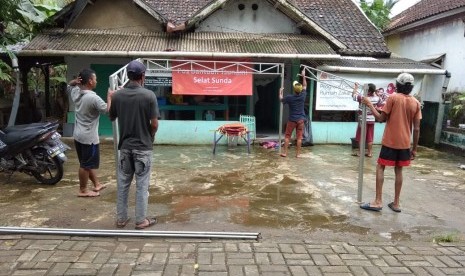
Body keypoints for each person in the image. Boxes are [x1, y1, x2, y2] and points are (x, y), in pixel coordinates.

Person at [360, 73, 421, 213]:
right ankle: (396, 203)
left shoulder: (393, 97)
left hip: (390, 141)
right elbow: (416, 129)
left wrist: (369, 104)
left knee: (380, 167)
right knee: (399, 170)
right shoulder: (416, 103)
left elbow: (381, 118)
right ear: (411, 87)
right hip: (405, 143)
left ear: (398, 85)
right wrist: (415, 149)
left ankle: (378, 201)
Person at [109, 60, 159, 230]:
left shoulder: (118, 96)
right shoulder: (149, 95)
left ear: (128, 76)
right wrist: (150, 136)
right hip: (143, 147)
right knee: (142, 185)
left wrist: (111, 97)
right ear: (142, 76)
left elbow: (111, 117)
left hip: (125, 147)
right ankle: (140, 221)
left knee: (123, 184)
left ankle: (121, 219)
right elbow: (154, 124)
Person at [68, 69, 111, 197]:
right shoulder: (93, 98)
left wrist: (74, 82)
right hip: (89, 138)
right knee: (86, 165)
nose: (96, 81)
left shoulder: (76, 93)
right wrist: (110, 97)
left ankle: (96, 184)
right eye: (95, 78)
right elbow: (107, 110)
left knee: (87, 162)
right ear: (90, 81)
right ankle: (83, 190)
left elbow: (69, 86)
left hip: (78, 135)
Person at [279, 68, 307, 158]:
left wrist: (280, 92)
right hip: (301, 120)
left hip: (292, 120)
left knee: (287, 136)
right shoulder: (303, 95)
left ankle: (285, 153)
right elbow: (305, 85)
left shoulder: (289, 97)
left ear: (294, 89)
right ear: (300, 90)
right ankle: (298, 154)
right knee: (299, 138)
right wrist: (303, 76)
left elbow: (281, 99)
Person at [352, 82, 381, 157]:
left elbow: (353, 95)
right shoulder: (376, 98)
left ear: (367, 90)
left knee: (361, 136)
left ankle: (360, 152)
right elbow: (380, 102)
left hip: (363, 120)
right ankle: (370, 153)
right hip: (371, 120)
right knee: (370, 137)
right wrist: (376, 93)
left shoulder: (362, 97)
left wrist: (355, 87)